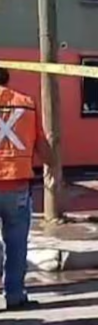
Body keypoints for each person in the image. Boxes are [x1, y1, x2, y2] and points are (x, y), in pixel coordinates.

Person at [0, 66, 54, 310]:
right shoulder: (26, 104)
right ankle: (14, 295)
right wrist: (54, 164)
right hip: (17, 185)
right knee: (16, 243)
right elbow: (41, 144)